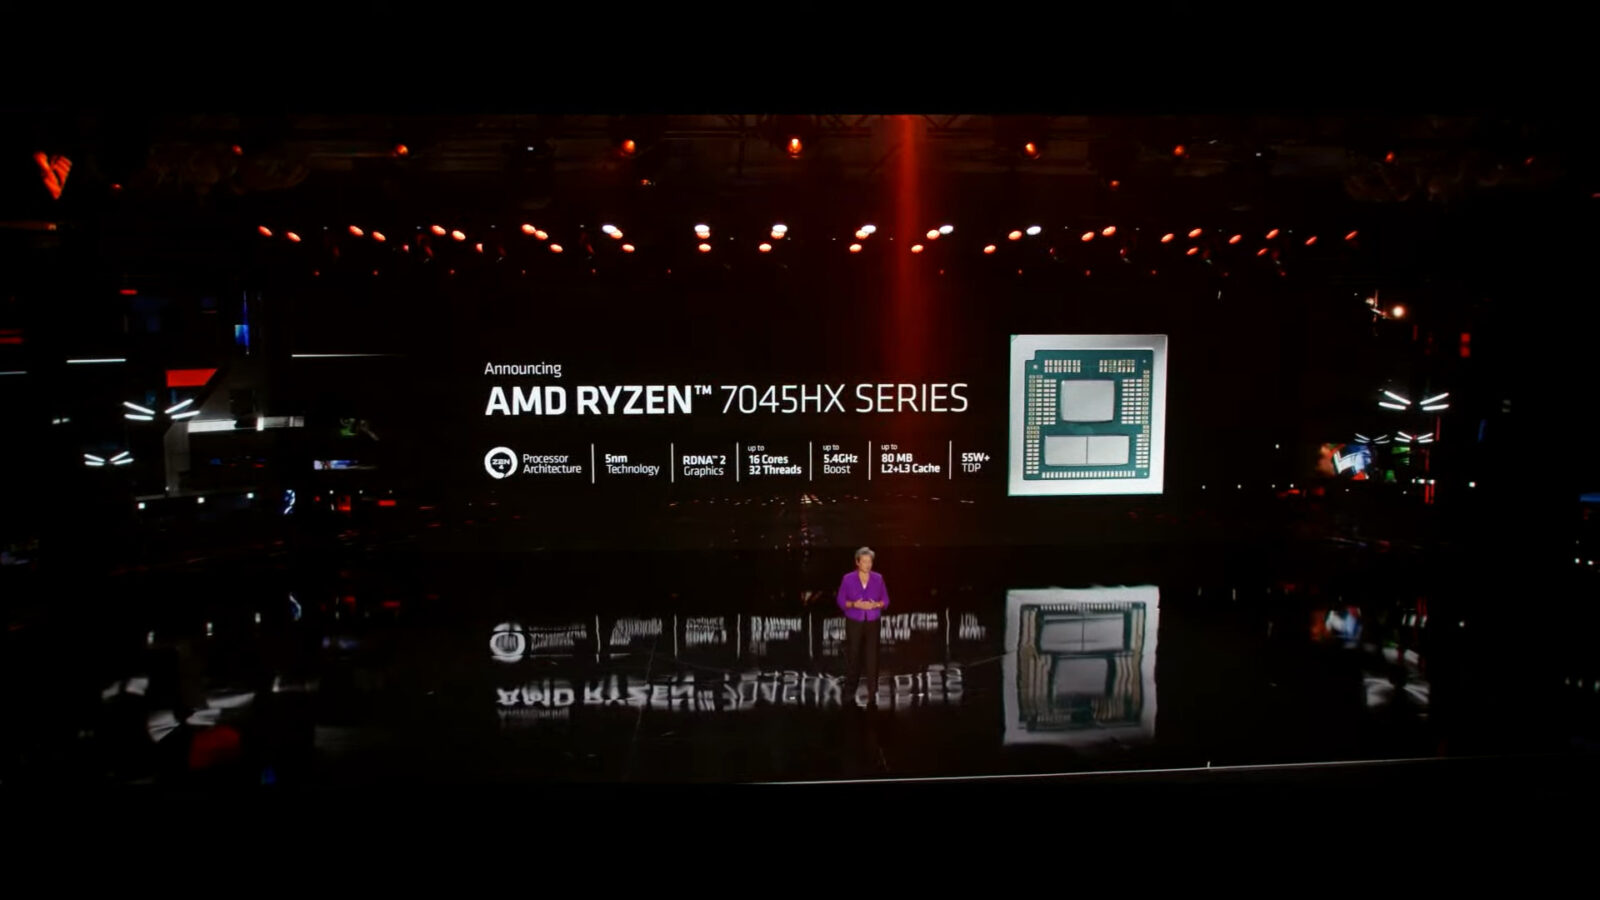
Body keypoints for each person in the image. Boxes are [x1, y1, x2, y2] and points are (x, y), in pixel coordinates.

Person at [837, 546, 889, 708]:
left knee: (872, 657)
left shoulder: (878, 578)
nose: (867, 564)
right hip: (854, 621)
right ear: (857, 562)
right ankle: (849, 692)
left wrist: (877, 605)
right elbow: (840, 601)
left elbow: (886, 601)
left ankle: (872, 694)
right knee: (854, 656)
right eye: (864, 561)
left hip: (873, 621)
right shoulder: (848, 579)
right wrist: (854, 604)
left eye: (870, 561)